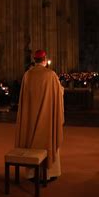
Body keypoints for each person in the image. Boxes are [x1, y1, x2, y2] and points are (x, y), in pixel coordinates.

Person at [15, 49, 64, 181]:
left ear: (34, 60)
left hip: (30, 119)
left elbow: (24, 99)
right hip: (47, 119)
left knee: (31, 140)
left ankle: (32, 173)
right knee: (48, 139)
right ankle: (49, 173)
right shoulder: (51, 75)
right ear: (45, 60)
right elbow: (59, 93)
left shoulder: (27, 75)